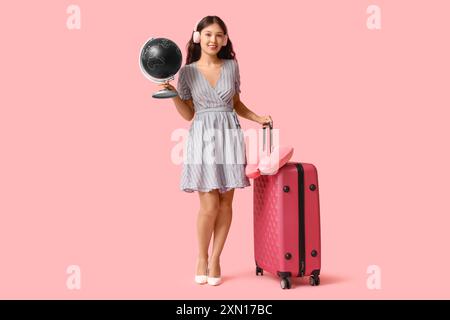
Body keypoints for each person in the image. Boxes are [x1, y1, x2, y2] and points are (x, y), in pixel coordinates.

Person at [160, 15, 272, 286]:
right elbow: (188, 115)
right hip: (202, 137)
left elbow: (236, 103)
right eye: (208, 34)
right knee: (208, 205)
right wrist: (174, 94)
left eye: (220, 35)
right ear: (198, 36)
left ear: (225, 39)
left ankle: (216, 259)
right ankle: (201, 256)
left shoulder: (232, 66)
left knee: (226, 204)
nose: (214, 39)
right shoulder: (187, 72)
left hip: (230, 136)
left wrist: (258, 118)